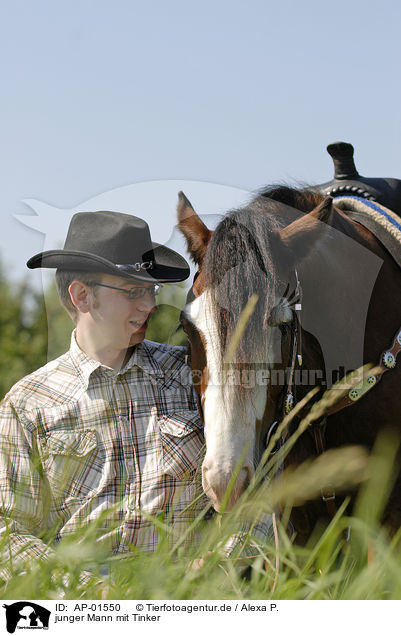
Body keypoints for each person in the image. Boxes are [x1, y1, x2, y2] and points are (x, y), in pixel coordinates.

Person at [0, 210, 270, 585]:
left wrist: (217, 567)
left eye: (151, 290)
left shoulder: (194, 375)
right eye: (133, 292)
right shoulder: (26, 405)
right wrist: (96, 596)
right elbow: (10, 532)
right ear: (81, 296)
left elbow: (261, 490)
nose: (151, 305)